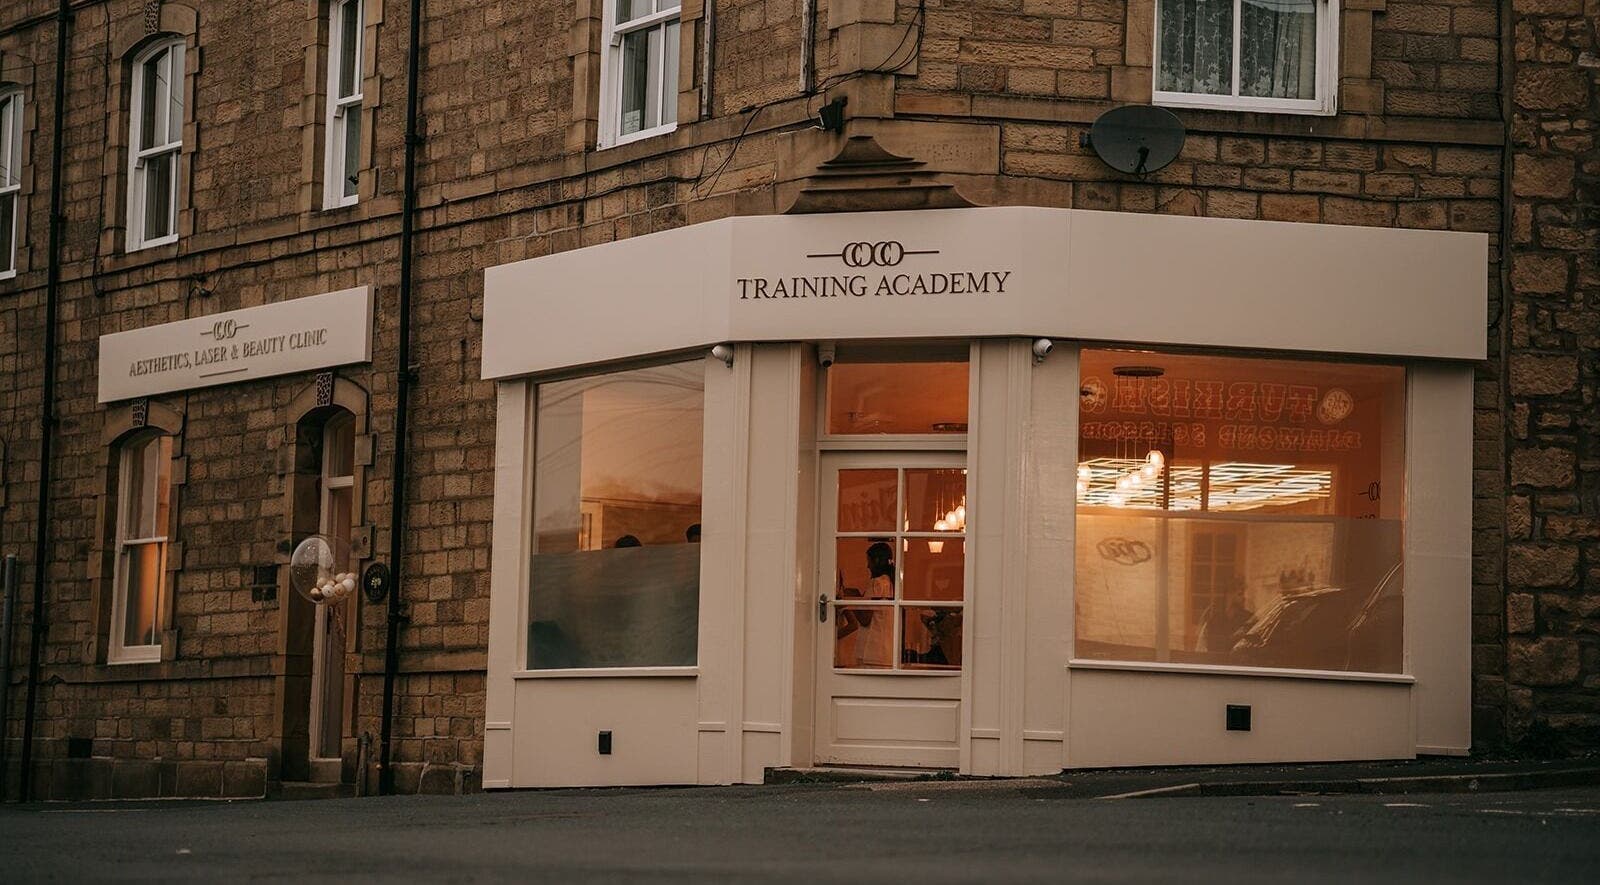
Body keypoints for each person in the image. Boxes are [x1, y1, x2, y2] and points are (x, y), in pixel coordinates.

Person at [1198, 578, 1254, 655]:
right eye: (1240, 594)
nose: (1244, 598)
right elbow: (1212, 648)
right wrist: (1234, 637)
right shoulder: (1214, 620)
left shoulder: (1249, 618)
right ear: (1229, 595)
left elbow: (1253, 646)